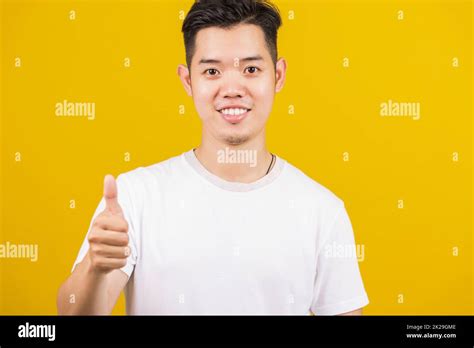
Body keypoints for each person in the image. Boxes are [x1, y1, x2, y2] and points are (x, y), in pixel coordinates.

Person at [57, 0, 369, 315]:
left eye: (251, 69)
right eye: (212, 71)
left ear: (278, 75)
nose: (232, 88)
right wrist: (94, 269)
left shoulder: (322, 211)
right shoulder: (135, 198)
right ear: (187, 81)